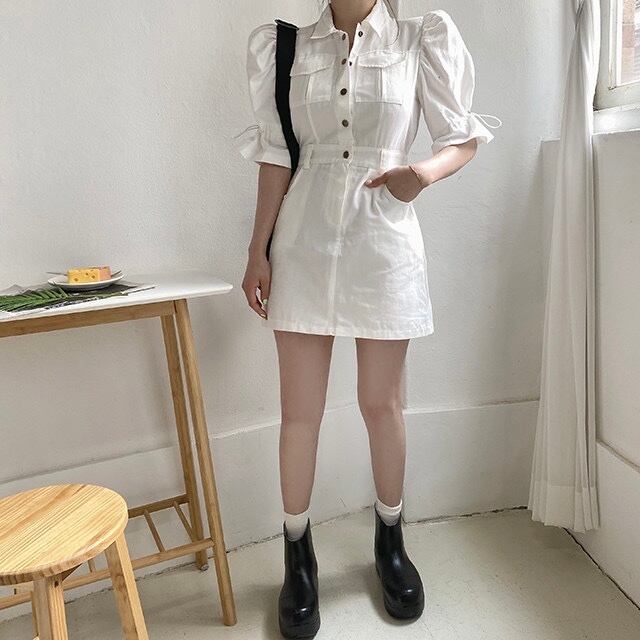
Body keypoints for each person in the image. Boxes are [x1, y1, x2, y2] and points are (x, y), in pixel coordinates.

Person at [234, 1, 499, 637]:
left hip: (384, 242)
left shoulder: (418, 37)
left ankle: (390, 540)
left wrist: (421, 174)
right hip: (302, 241)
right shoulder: (287, 47)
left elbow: (462, 136)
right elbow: (277, 156)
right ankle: (297, 555)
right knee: (300, 412)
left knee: (382, 405)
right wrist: (256, 251)